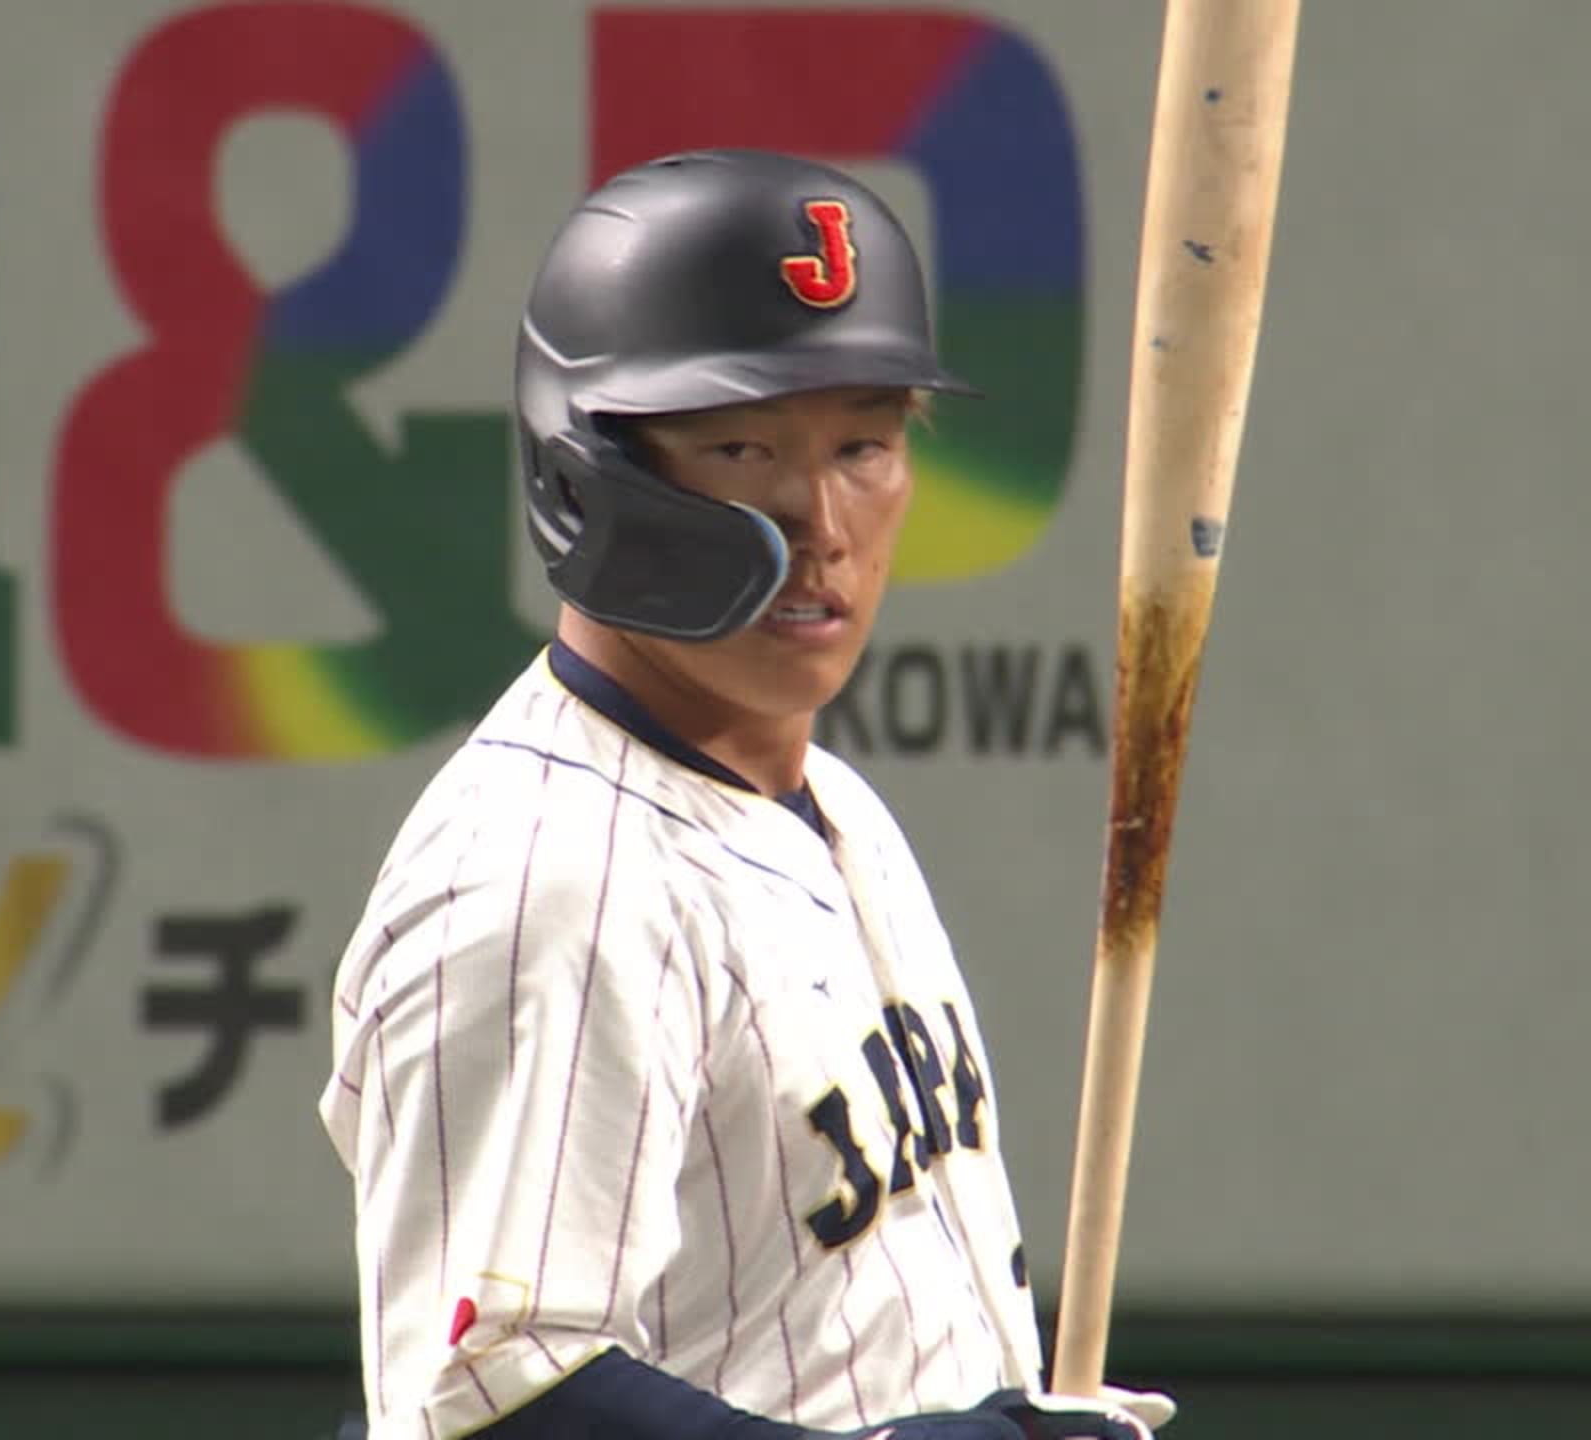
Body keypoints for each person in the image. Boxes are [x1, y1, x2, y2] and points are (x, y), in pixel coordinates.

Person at [317, 149, 1171, 1440]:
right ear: (586, 474)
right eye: (739, 444)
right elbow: (486, 1401)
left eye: (864, 445)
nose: (821, 519)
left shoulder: (830, 804)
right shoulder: (550, 877)